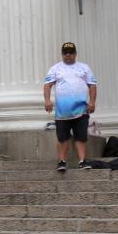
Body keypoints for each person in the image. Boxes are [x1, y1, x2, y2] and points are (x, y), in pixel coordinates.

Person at [44, 42, 97, 170]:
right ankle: (62, 161)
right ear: (62, 54)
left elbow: (92, 85)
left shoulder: (84, 67)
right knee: (63, 137)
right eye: (65, 52)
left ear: (75, 54)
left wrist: (92, 102)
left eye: (71, 52)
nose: (68, 55)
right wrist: (47, 101)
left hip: (81, 109)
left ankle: (82, 161)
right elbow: (47, 85)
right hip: (62, 111)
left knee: (81, 136)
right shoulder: (55, 68)